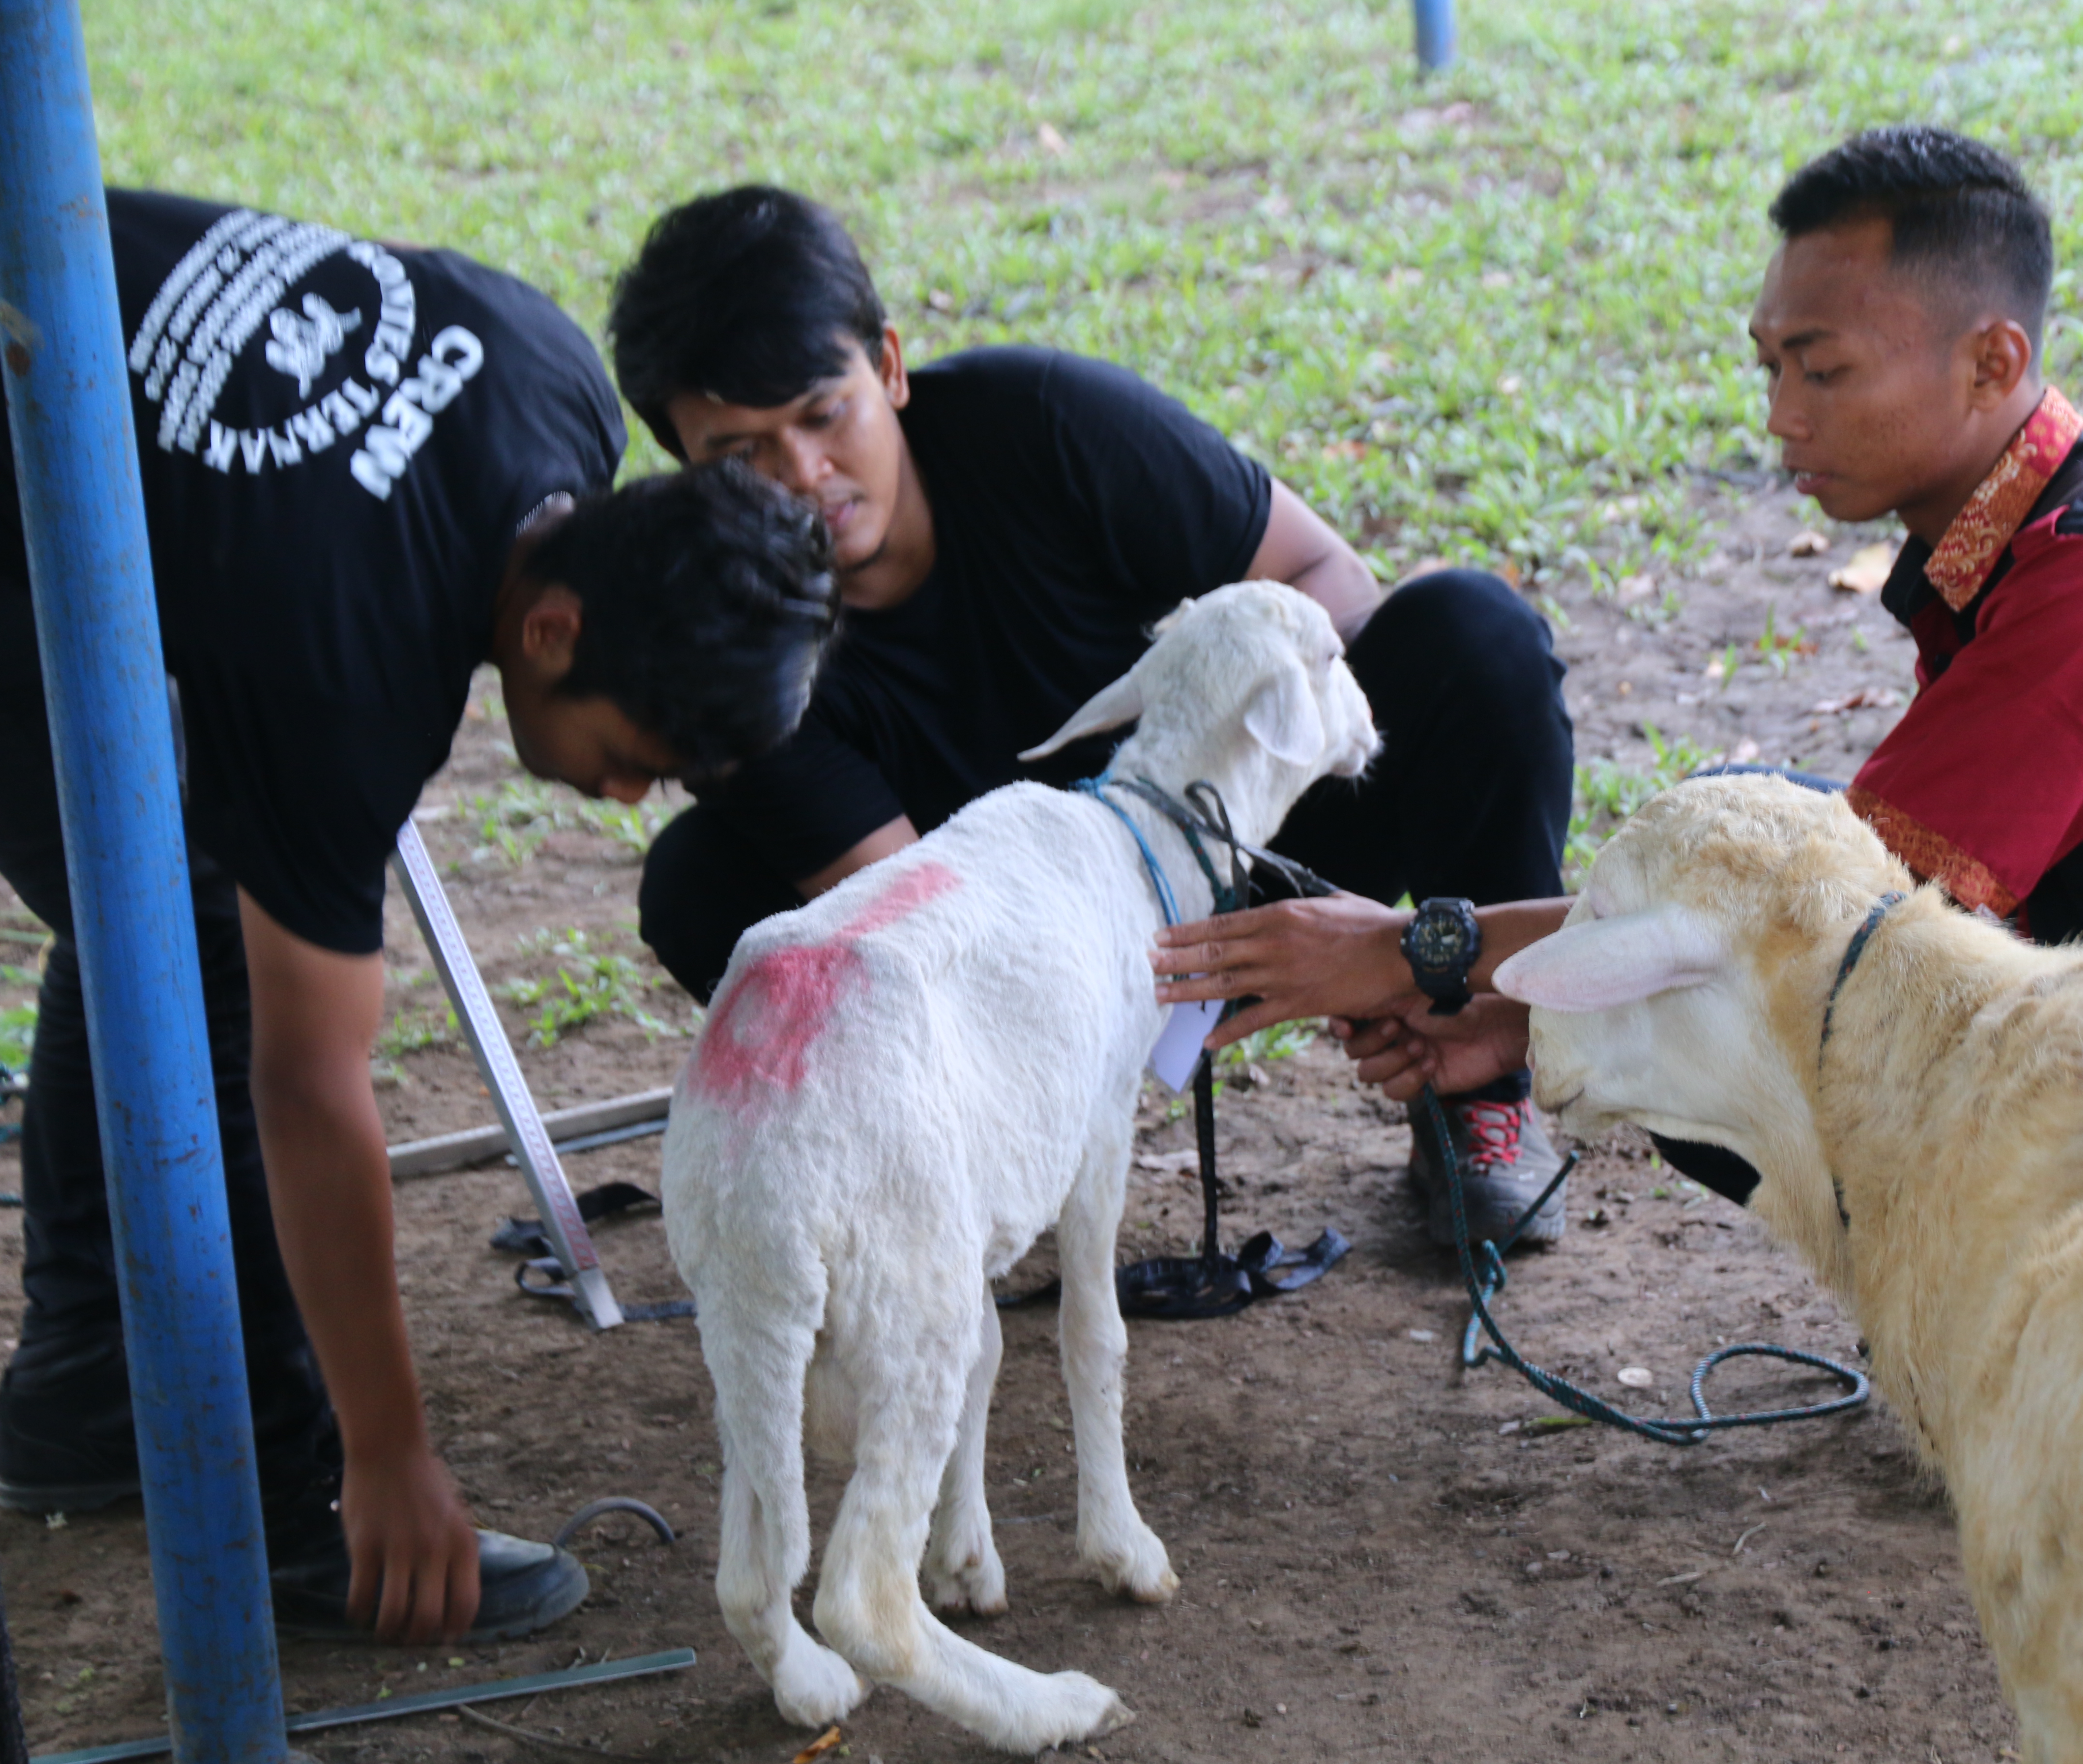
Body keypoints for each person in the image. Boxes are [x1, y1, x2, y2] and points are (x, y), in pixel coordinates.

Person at [0, 188, 840, 1646]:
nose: (630, 798)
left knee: (173, 894)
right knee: (201, 960)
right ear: (553, 629)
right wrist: (394, 1446)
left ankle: (85, 1376)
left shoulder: (550, 374)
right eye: (633, 757)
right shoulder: (343, 664)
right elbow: (309, 1088)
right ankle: (301, 1507)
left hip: (46, 309)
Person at [1152, 124, 2083, 1123]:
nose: (1783, 417)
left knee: (1758, 888)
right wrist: (1530, 1003)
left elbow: (1824, 912)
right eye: (1770, 368)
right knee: (1744, 839)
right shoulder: (2041, 524)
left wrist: (1418, 947)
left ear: (1994, 362)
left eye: (1823, 370)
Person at [607, 186, 1577, 1249]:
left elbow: (1316, 575)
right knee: (704, 881)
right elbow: (935, 934)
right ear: (688, 471)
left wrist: (1374, 946)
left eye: (822, 412)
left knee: (1468, 633)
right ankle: (952, 1176)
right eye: (741, 455)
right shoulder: (739, 663)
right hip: (1021, 961)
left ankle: (1477, 1084)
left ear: (887, 365)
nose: (804, 476)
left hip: (1247, 851)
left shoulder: (1041, 421)